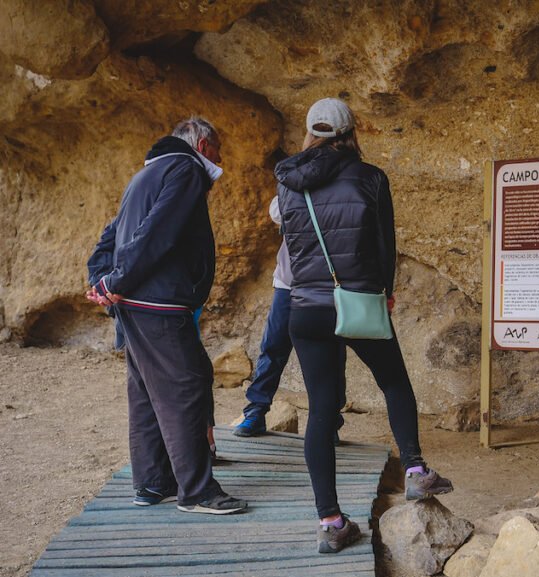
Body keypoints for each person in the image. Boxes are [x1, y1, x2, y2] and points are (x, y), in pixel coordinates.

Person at [275, 98, 453, 554]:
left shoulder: (288, 183)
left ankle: (331, 523)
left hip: (305, 307)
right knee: (393, 381)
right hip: (355, 302)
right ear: (351, 132)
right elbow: (383, 245)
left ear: (310, 134)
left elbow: (294, 245)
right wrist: (384, 292)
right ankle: (415, 472)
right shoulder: (371, 178)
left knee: (319, 409)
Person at [85, 117, 247, 515]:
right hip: (158, 303)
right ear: (203, 144)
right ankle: (197, 491)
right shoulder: (186, 169)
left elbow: (110, 236)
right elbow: (160, 231)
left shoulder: (144, 176)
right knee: (186, 387)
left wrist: (102, 279)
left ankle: (153, 483)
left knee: (144, 392)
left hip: (134, 305)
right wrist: (117, 280)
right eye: (219, 149)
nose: (221, 158)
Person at [233, 198, 345, 443]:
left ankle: (329, 422)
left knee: (329, 353)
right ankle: (256, 410)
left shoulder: (340, 188)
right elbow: (276, 212)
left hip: (329, 284)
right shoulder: (293, 183)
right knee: (273, 346)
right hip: (289, 282)